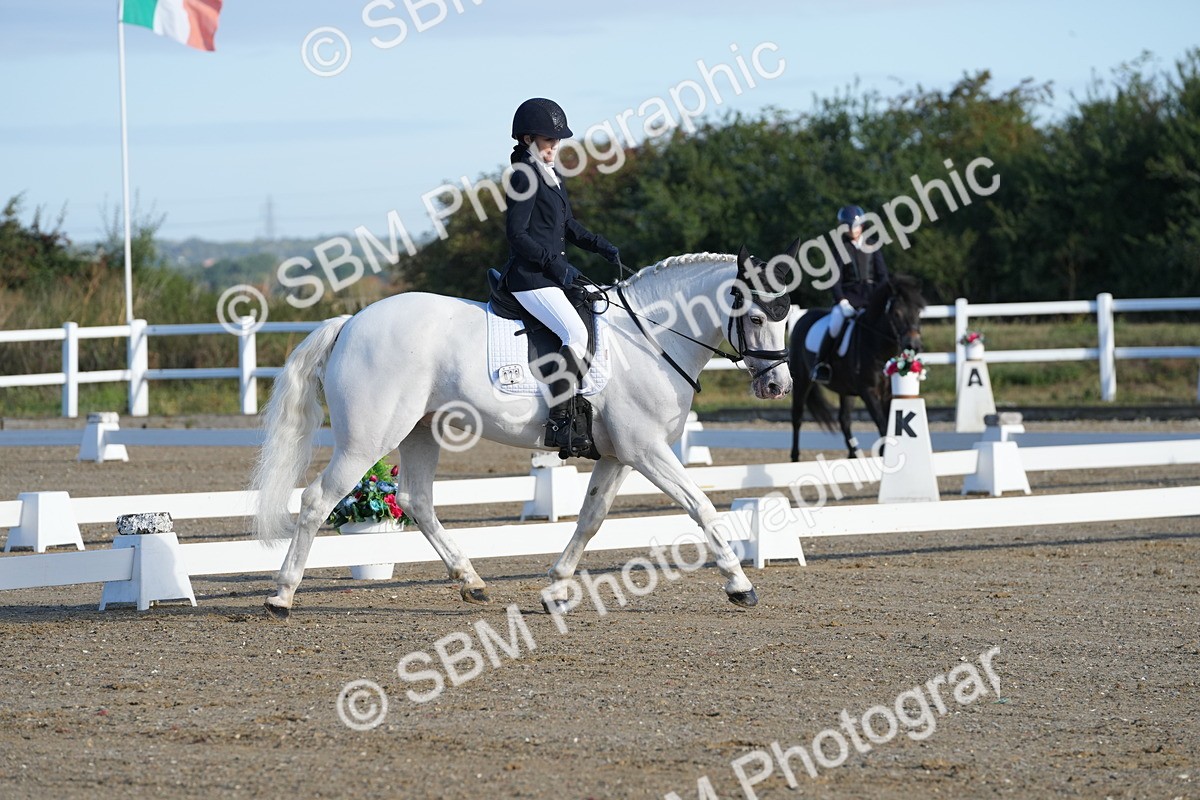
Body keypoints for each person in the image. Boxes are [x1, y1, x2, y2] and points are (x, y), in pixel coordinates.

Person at [502, 97, 621, 454]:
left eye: (557, 140)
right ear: (528, 140)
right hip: (529, 277)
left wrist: (600, 245)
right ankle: (560, 421)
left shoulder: (550, 173)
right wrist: (556, 266)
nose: (555, 146)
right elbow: (517, 234)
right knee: (575, 332)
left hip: (549, 274)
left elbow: (565, 224)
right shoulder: (522, 175)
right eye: (548, 140)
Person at [810, 204, 890, 384]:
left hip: (871, 300)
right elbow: (834, 279)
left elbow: (882, 275)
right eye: (848, 226)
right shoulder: (839, 249)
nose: (852, 230)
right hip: (848, 299)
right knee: (836, 323)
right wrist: (841, 301)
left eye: (855, 226)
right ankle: (822, 364)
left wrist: (882, 296)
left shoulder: (872, 245)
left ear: (862, 226)